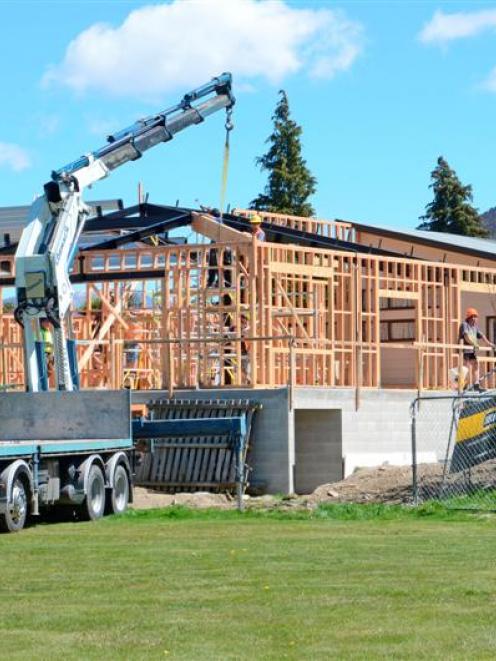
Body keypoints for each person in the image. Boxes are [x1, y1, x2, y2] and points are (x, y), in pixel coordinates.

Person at [458, 307, 496, 391]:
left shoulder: (475, 327)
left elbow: (482, 336)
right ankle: (463, 385)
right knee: (465, 367)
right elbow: (466, 336)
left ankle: (476, 385)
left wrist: (489, 344)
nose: (474, 319)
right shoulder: (465, 325)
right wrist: (473, 343)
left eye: (475, 317)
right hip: (464, 350)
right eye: (472, 317)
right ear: (469, 317)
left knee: (475, 365)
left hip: (471, 350)